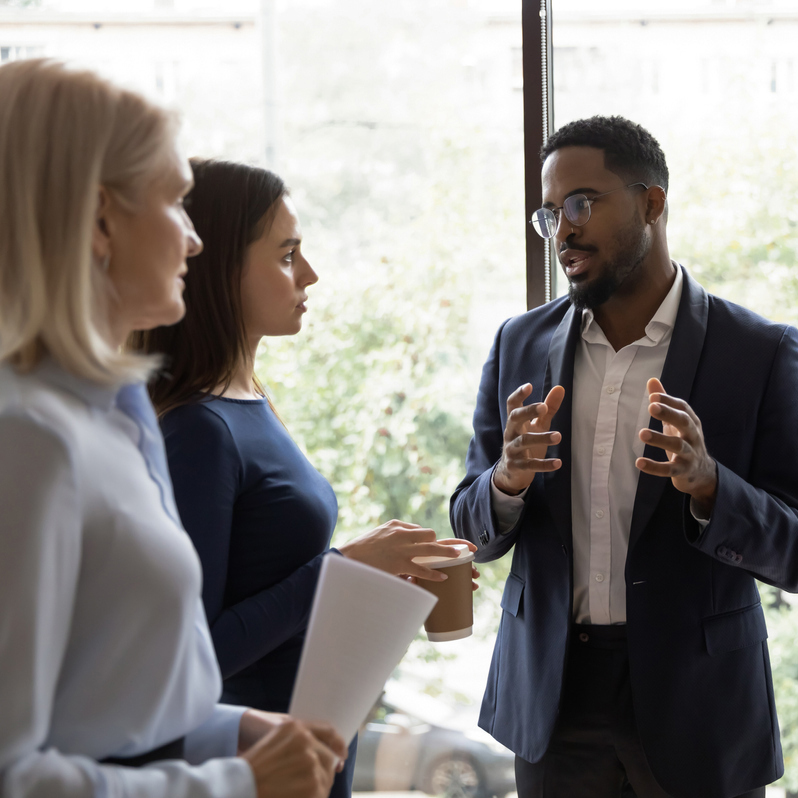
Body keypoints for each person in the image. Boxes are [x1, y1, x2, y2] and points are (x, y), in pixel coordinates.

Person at [0, 58, 348, 798]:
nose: (194, 241)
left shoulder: (118, 416)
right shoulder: (27, 437)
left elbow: (106, 710)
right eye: (177, 204)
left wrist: (227, 730)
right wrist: (235, 781)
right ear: (100, 221)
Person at [450, 115, 798, 798]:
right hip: (553, 703)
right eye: (549, 215)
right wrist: (507, 481)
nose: (564, 231)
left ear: (652, 203)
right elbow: (470, 526)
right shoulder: (518, 344)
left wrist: (709, 487)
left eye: (581, 203)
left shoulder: (759, 353)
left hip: (699, 704)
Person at [128, 159, 478, 798]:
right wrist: (345, 569)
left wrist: (381, 580)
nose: (309, 273)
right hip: (254, 763)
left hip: (305, 749)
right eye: (287, 254)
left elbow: (276, 586)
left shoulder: (248, 400)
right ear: (220, 266)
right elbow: (193, 658)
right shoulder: (200, 431)